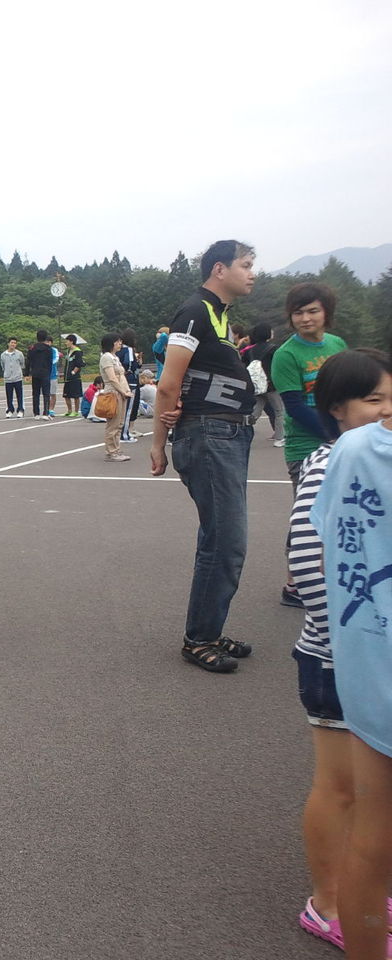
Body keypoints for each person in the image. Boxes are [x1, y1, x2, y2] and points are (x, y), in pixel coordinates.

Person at [286, 349, 392, 952]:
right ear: (336, 409)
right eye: (374, 400)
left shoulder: (375, 459)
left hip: (369, 658)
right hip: (335, 656)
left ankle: (361, 890)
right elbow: (307, 560)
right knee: (341, 788)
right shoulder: (333, 463)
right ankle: (327, 902)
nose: (387, 410)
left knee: (371, 799)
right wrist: (350, 639)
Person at [149, 239, 258, 673]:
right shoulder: (195, 311)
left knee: (219, 540)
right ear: (219, 269)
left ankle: (208, 629)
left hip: (229, 435)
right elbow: (167, 383)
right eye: (246, 265)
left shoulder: (220, 316)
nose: (252, 273)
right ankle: (199, 639)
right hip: (210, 435)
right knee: (227, 542)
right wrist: (158, 443)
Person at [273, 283, 348, 491]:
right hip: (306, 448)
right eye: (298, 313)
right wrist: (335, 435)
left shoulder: (337, 344)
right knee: (310, 510)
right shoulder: (286, 354)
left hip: (344, 441)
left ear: (326, 312)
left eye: (313, 311)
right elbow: (295, 407)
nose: (305, 318)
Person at [243, 322, 285, 448]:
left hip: (256, 385)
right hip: (271, 386)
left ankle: (243, 430)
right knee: (279, 411)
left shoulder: (249, 351)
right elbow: (279, 367)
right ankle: (280, 438)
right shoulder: (274, 349)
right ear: (267, 333)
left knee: (256, 410)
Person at [117, 330, 143, 442]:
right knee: (129, 408)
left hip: (119, 379)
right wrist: (137, 361)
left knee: (121, 407)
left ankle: (119, 431)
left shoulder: (117, 350)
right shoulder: (129, 349)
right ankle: (125, 434)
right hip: (130, 380)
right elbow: (131, 365)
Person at [27, 332, 54, 419]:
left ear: (37, 337)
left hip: (35, 373)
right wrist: (49, 372)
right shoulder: (48, 349)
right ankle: (46, 413)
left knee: (35, 393)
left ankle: (36, 413)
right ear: (45, 338)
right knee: (46, 394)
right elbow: (50, 362)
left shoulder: (32, 348)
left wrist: (27, 373)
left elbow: (28, 361)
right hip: (45, 373)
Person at [0, 337, 25, 418]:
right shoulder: (3, 355)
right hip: (8, 379)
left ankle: (20, 410)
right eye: (12, 342)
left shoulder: (19, 354)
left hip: (17, 378)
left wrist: (18, 372)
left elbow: (22, 364)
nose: (13, 344)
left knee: (19, 395)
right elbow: (3, 366)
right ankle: (10, 410)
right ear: (8, 343)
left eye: (14, 343)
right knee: (9, 396)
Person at [62, 335, 85, 416]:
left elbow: (79, 364)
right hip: (67, 377)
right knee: (66, 395)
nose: (66, 343)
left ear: (71, 341)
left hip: (75, 377)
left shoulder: (77, 351)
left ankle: (76, 412)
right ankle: (69, 411)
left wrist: (73, 372)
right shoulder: (68, 351)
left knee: (76, 395)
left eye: (67, 341)